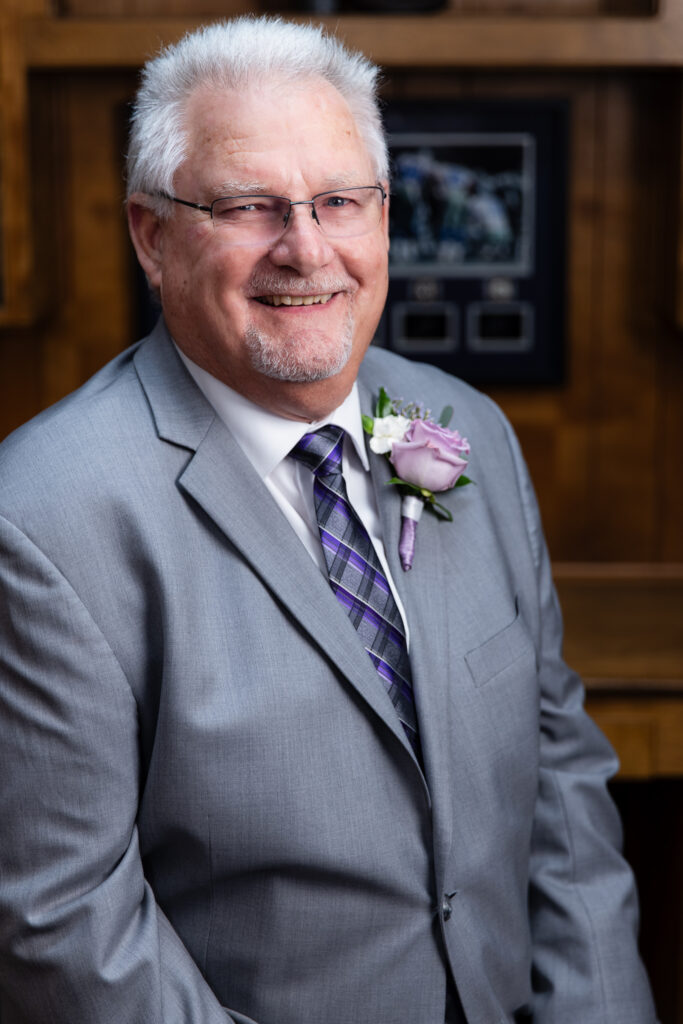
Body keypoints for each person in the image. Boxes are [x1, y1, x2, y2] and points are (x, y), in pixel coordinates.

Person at [0, 16, 657, 1024]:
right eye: (248, 205)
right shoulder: (41, 519)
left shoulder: (460, 429)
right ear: (151, 234)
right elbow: (67, 927)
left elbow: (558, 789)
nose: (305, 250)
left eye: (340, 202)